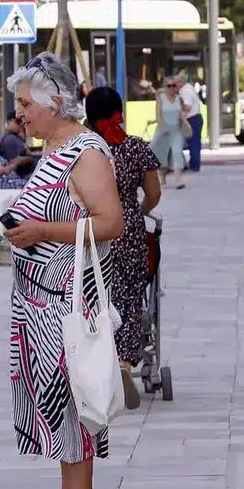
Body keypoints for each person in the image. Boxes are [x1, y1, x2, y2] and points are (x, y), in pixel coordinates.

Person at [1, 54, 125, 489]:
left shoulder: (86, 151)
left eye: (26, 103)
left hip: (68, 300)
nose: (20, 114)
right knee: (55, 402)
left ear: (55, 102)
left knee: (73, 396)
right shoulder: (55, 148)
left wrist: (40, 231)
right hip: (41, 302)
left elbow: (111, 222)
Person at [85, 86, 163, 398]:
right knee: (129, 301)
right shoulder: (135, 147)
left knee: (95, 300)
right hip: (128, 232)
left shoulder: (85, 150)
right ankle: (124, 364)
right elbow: (154, 194)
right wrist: (134, 213)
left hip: (91, 232)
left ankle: (95, 366)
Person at [152, 77, 190, 187]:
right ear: (165, 87)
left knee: (177, 153)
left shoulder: (179, 99)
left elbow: (183, 113)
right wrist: (163, 128)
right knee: (163, 156)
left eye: (174, 85)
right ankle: (162, 176)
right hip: (163, 130)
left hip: (176, 131)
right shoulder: (161, 98)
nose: (171, 88)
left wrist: (185, 121)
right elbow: (158, 116)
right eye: (169, 86)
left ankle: (178, 180)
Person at [182, 76, 205, 173]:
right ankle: (193, 164)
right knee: (194, 142)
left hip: (192, 119)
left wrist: (181, 115)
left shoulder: (185, 91)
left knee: (194, 143)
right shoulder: (189, 88)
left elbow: (187, 106)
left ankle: (194, 165)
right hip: (195, 118)